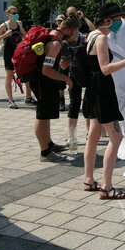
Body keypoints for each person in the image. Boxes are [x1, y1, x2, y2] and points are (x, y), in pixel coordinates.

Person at [82, 3, 125, 199]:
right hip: (102, 92)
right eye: (118, 19)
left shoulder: (91, 35)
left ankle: (88, 179)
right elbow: (105, 68)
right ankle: (107, 186)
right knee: (116, 137)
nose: (121, 22)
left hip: (92, 91)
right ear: (107, 20)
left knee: (93, 136)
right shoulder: (101, 38)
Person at [30, 13, 80, 163]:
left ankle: (49, 144)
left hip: (43, 79)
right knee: (42, 115)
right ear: (70, 30)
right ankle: (45, 152)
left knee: (46, 115)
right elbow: (46, 69)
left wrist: (60, 65)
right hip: (42, 80)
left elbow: (47, 62)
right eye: (75, 32)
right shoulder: (56, 43)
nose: (75, 35)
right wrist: (65, 78)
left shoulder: (51, 34)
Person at [0, 6, 36, 109]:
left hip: (20, 53)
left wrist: (24, 33)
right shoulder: (4, 26)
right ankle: (10, 100)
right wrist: (5, 35)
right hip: (9, 54)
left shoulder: (19, 23)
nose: (15, 15)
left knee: (26, 73)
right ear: (8, 15)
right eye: (13, 13)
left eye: (16, 13)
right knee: (10, 76)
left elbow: (24, 36)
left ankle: (28, 97)